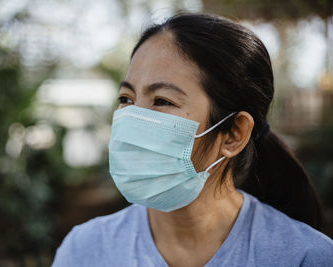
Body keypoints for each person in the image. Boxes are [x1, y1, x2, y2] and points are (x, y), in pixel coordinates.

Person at [52, 13, 333, 267]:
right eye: (126, 98)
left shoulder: (305, 258)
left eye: (162, 100)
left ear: (234, 134)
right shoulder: (85, 250)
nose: (132, 119)